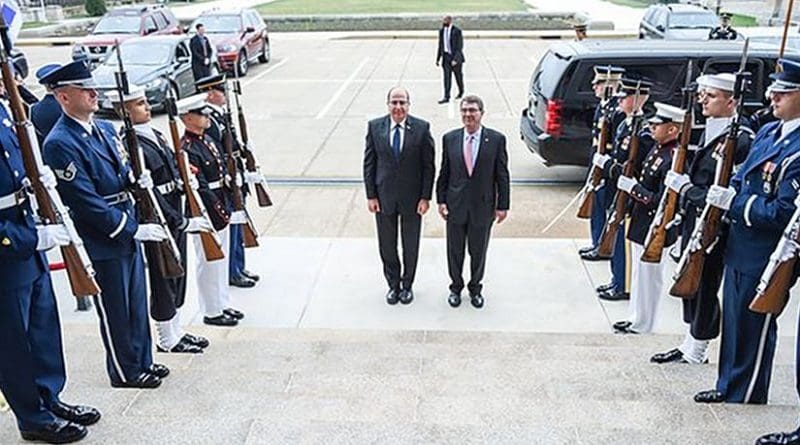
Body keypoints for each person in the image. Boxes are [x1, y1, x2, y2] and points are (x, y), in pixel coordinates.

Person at [40, 60, 169, 389]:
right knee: (116, 310)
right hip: (102, 236)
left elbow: (119, 171)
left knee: (136, 303)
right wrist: (131, 228)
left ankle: (143, 361)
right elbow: (85, 201)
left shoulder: (106, 129)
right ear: (63, 97)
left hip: (127, 225)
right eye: (84, 90)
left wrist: (135, 179)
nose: (93, 93)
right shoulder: (59, 142)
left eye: (92, 87)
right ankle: (125, 371)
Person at [695, 58, 800, 405]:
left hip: (768, 251)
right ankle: (728, 384)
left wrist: (735, 203)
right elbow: (741, 177)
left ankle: (748, 390)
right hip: (741, 242)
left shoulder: (797, 149)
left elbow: (784, 210)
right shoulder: (771, 131)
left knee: (755, 323)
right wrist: (732, 194)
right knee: (736, 321)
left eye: (783, 93)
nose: (773, 98)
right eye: (774, 91)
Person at [0, 77, 100, 442]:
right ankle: (32, 417)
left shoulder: (3, 110)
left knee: (42, 330)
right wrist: (27, 237)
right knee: (14, 342)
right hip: (9, 247)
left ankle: (49, 398)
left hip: (27, 232)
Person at [651, 73, 752, 364]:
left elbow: (724, 191)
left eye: (711, 96)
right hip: (693, 219)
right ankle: (688, 342)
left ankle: (698, 348)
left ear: (731, 101)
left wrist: (687, 189)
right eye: (702, 95)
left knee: (705, 284)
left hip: (714, 226)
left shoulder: (741, 139)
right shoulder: (708, 130)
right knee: (690, 282)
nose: (702, 100)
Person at [109, 85, 211, 353]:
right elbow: (148, 191)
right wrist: (179, 221)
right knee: (163, 275)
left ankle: (176, 330)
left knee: (178, 272)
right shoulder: (132, 143)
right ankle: (166, 337)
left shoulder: (153, 133)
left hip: (173, 207)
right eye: (140, 104)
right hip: (157, 215)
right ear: (125, 111)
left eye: (145, 102)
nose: (147, 107)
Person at [613, 102, 685, 334]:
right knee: (639, 274)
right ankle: (636, 317)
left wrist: (634, 189)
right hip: (642, 222)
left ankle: (646, 323)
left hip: (657, 225)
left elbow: (662, 200)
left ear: (672, 129)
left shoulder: (674, 157)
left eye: (657, 125)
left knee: (650, 277)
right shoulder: (658, 149)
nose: (652, 128)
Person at [436, 95, 510, 308]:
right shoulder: (450, 138)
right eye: (464, 111)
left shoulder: (496, 140)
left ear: (481, 114)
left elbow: (502, 175)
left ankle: (475, 287)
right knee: (454, 251)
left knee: (478, 252)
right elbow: (445, 172)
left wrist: (503, 205)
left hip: (482, 207)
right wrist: (441, 200)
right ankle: (455, 287)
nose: (468, 115)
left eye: (472, 111)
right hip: (455, 206)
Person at [363, 87, 435, 305]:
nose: (398, 107)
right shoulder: (375, 127)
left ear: (408, 105)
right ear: (388, 104)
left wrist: (425, 197)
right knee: (387, 245)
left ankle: (407, 285)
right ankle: (393, 285)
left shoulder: (422, 129)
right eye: (394, 102)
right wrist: (371, 196)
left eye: (402, 102)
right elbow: (369, 163)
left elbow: (428, 166)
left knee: (410, 244)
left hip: (413, 200)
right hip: (384, 198)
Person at [178, 93, 244, 327]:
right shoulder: (187, 147)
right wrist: (219, 212)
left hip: (220, 202)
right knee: (208, 262)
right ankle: (212, 310)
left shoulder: (206, 140)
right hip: (206, 210)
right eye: (200, 114)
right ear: (186, 119)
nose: (206, 117)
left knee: (220, 260)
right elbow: (201, 188)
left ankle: (222, 303)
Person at [30, 63, 92, 312]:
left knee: (67, 237)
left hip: (51, 179)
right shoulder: (70, 104)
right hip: (73, 176)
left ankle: (82, 292)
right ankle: (83, 288)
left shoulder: (35, 109)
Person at [592, 77, 655, 302]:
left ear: (638, 99)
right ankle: (616, 278)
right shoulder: (625, 124)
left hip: (629, 194)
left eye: (625, 97)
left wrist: (609, 166)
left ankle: (623, 284)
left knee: (623, 242)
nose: (620, 101)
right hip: (618, 189)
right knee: (615, 235)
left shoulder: (644, 132)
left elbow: (636, 167)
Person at [195, 73, 260, 288]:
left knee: (239, 224)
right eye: (222, 91)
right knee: (232, 227)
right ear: (211, 94)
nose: (225, 95)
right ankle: (232, 271)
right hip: (227, 182)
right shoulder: (211, 121)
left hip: (236, 178)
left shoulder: (221, 116)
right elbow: (218, 154)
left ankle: (239, 266)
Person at [580, 65, 625, 262]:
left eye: (598, 83)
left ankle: (602, 245)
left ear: (610, 85)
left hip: (606, 170)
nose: (594, 87)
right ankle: (596, 242)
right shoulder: (603, 106)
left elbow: (615, 145)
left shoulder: (617, 111)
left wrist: (605, 169)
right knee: (595, 207)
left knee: (604, 207)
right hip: (597, 166)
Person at [436, 15, 465, 104]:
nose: (443, 22)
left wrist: (455, 59)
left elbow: (459, 47)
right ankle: (446, 96)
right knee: (446, 78)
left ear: (450, 21)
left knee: (458, 76)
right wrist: (438, 58)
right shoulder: (441, 31)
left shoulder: (457, 31)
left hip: (455, 58)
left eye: (445, 21)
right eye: (443, 20)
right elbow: (440, 45)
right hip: (446, 58)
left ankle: (461, 91)